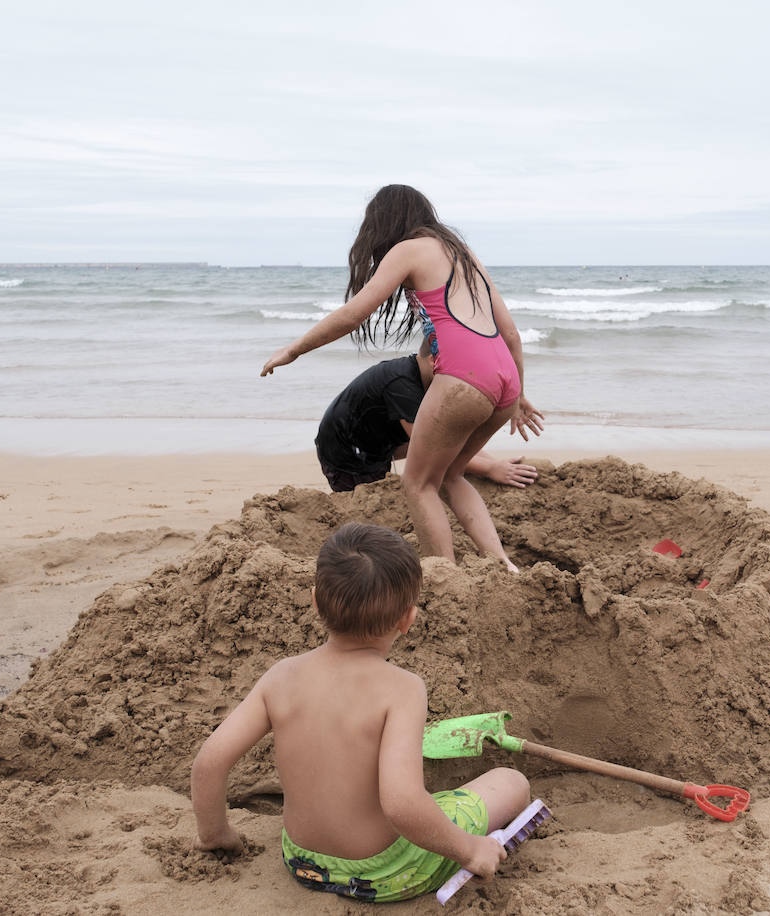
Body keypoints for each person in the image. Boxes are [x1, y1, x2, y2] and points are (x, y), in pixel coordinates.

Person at [191, 522, 532, 902]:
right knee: (510, 782)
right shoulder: (402, 689)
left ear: (315, 601)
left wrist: (215, 834)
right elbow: (402, 805)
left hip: (304, 863)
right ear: (408, 619)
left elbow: (210, 761)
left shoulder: (280, 677)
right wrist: (471, 850)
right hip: (387, 872)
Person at [262, 185, 538, 570]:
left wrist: (293, 350)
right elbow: (510, 333)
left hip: (463, 376)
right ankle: (504, 565)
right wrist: (519, 393)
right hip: (503, 378)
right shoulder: (464, 254)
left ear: (385, 222)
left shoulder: (409, 248)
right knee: (452, 475)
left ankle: (444, 577)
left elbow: (354, 313)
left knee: (418, 483)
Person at [316, 340, 542, 493]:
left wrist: (494, 462)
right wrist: (490, 470)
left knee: (448, 436)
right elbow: (431, 450)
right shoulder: (402, 385)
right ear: (435, 360)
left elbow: (452, 437)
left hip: (380, 438)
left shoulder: (430, 378)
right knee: (367, 512)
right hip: (346, 453)